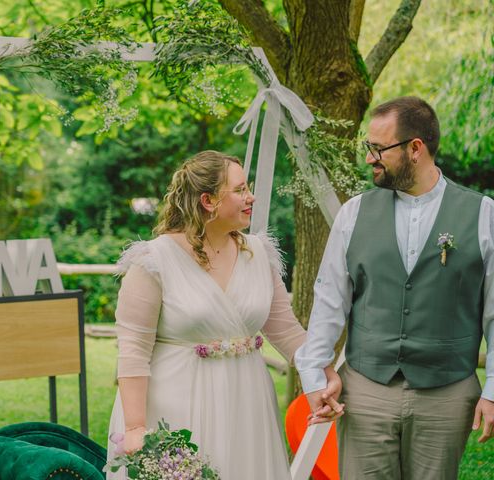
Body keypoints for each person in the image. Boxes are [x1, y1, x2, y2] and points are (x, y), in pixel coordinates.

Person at [105, 150, 340, 480]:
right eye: (241, 189)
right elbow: (132, 352)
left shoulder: (259, 254)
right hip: (177, 406)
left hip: (247, 405)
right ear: (208, 200)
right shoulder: (153, 262)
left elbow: (286, 331)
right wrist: (135, 428)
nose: (251, 197)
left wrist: (321, 372)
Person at [295, 96, 494, 479]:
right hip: (366, 389)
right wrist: (315, 376)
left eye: (378, 148)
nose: (369, 157)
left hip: (447, 392)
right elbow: (329, 300)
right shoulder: (354, 213)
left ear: (415, 148)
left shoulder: (483, 215)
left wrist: (492, 392)